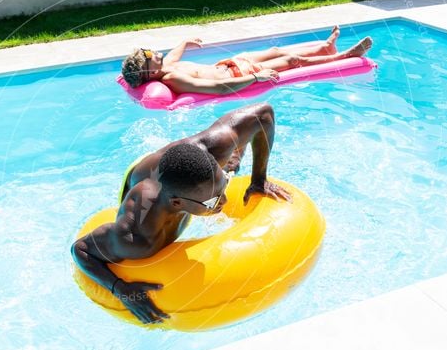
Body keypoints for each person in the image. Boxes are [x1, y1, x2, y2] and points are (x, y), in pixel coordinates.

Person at [71, 103, 291, 324]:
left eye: (224, 187)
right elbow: (80, 249)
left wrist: (259, 180)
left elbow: (264, 114)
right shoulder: (137, 234)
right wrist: (119, 289)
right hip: (143, 175)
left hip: (183, 161)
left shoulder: (215, 148)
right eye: (214, 199)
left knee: (233, 165)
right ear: (177, 203)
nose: (223, 200)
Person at [121, 26, 372, 95]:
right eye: (146, 56)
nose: (149, 51)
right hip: (236, 75)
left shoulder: (167, 65)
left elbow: (175, 53)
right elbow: (217, 89)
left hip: (229, 63)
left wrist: (186, 41)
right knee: (292, 60)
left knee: (275, 49)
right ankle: (344, 57)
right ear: (150, 73)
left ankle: (325, 48)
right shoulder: (173, 77)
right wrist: (255, 77)